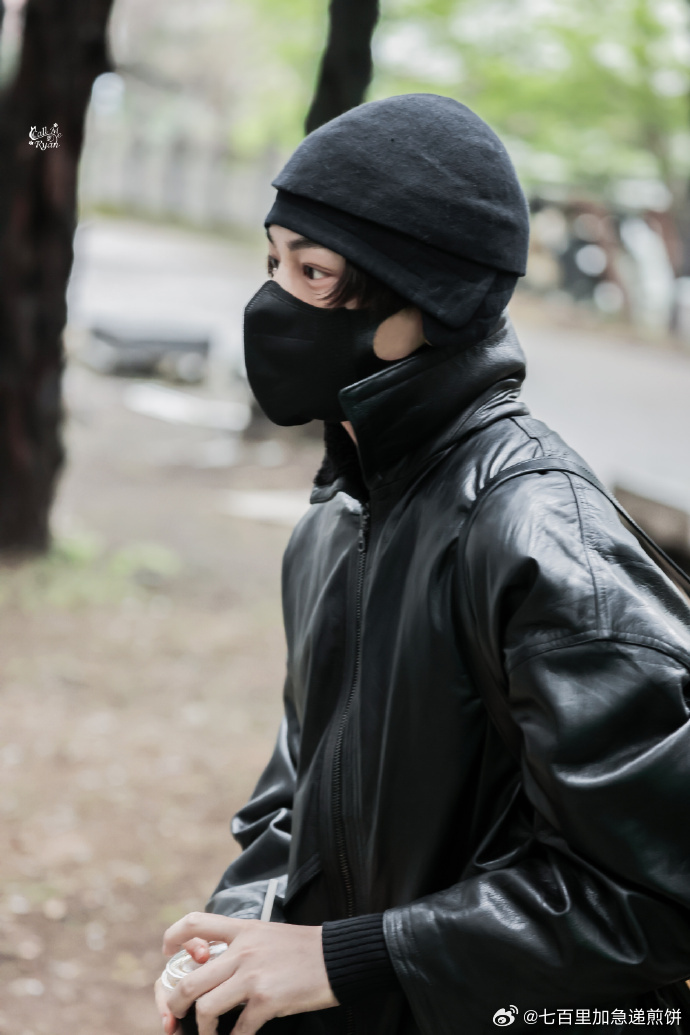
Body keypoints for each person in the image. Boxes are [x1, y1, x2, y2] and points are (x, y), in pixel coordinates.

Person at [155, 94, 690, 1035]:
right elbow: (294, 801)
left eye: (313, 272)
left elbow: (652, 900)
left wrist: (353, 957)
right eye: (272, 261)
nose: (270, 302)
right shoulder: (337, 517)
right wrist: (236, 939)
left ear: (428, 299)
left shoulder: (544, 536)